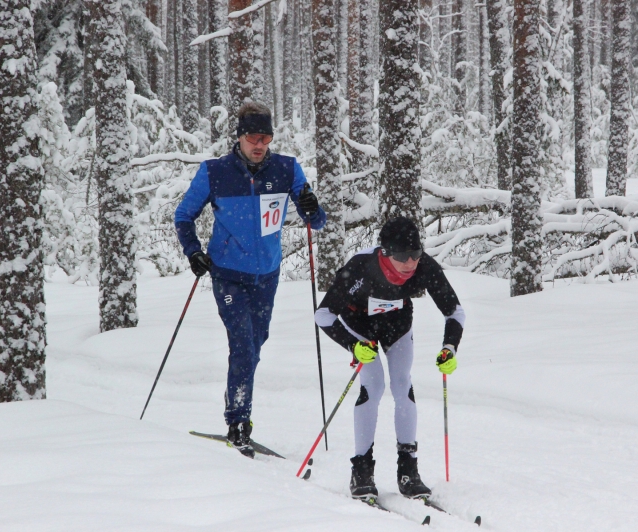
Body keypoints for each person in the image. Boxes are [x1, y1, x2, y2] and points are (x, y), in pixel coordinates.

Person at [174, 101, 326, 458]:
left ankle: (236, 394)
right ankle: (238, 421)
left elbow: (316, 221)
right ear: (239, 137)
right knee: (242, 344)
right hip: (228, 274)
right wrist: (193, 251)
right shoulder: (215, 172)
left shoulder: (287, 169)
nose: (259, 144)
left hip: (267, 275)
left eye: (266, 137)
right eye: (252, 137)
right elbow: (184, 216)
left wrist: (310, 204)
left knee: (256, 344)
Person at [314, 216, 464, 499]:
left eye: (416, 254)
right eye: (402, 256)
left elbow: (454, 311)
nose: (410, 263)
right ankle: (361, 470)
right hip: (358, 325)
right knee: (374, 385)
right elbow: (322, 315)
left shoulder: (423, 266)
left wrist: (450, 347)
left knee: (401, 384)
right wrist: (351, 345)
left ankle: (408, 470)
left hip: (397, 323)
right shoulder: (360, 266)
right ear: (385, 252)